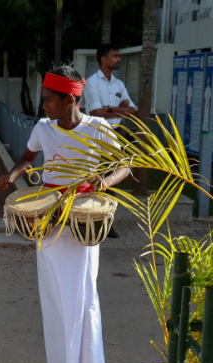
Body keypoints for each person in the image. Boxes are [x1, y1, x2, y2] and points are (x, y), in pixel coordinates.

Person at [0, 66, 130, 363]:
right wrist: (12, 175)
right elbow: (28, 158)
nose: (43, 106)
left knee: (83, 301)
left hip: (83, 221)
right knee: (53, 298)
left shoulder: (98, 128)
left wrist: (105, 182)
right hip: (49, 221)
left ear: (70, 99)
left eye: (48, 100)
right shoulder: (44, 128)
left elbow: (125, 165)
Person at [84, 44, 135, 239]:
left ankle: (107, 223)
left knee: (113, 179)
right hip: (97, 134)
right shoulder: (92, 82)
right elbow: (96, 112)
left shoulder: (119, 84)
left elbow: (132, 110)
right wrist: (119, 109)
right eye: (115, 56)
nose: (118, 59)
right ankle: (91, 221)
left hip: (117, 134)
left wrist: (110, 109)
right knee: (96, 177)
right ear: (103, 59)